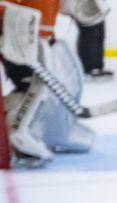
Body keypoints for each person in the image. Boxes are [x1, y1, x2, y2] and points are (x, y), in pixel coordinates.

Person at [1, 0, 107, 167]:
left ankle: (32, 129)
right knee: (32, 86)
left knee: (46, 88)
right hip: (16, 43)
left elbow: (73, 8)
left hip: (39, 42)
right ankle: (18, 130)